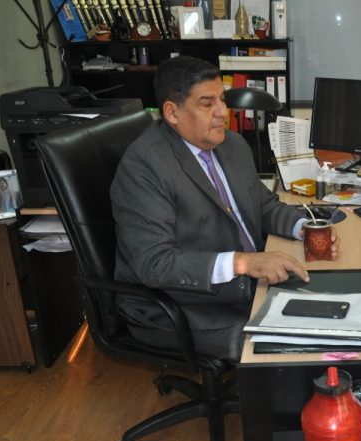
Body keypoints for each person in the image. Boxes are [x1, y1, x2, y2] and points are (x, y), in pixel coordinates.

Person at [111, 55, 338, 360]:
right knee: (300, 349)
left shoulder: (231, 145)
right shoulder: (145, 165)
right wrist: (243, 263)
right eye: (207, 104)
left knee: (336, 312)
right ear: (172, 112)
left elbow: (264, 206)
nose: (223, 112)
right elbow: (155, 263)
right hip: (185, 306)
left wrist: (306, 228)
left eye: (222, 99)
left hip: (250, 285)